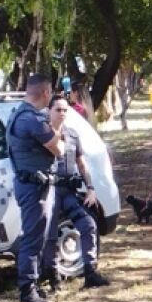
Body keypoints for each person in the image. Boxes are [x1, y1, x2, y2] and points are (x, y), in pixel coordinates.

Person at [6, 75, 64, 302]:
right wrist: (57, 126)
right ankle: (28, 292)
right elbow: (59, 149)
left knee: (35, 237)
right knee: (32, 239)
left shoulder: (17, 113)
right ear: (46, 93)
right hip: (34, 188)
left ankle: (34, 284)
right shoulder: (31, 120)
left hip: (30, 184)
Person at [41, 96, 109, 291]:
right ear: (49, 111)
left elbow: (81, 163)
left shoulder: (72, 134)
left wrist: (91, 189)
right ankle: (54, 278)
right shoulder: (42, 135)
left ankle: (90, 273)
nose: (62, 113)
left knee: (89, 225)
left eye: (65, 110)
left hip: (69, 191)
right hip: (50, 191)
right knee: (50, 234)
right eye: (58, 110)